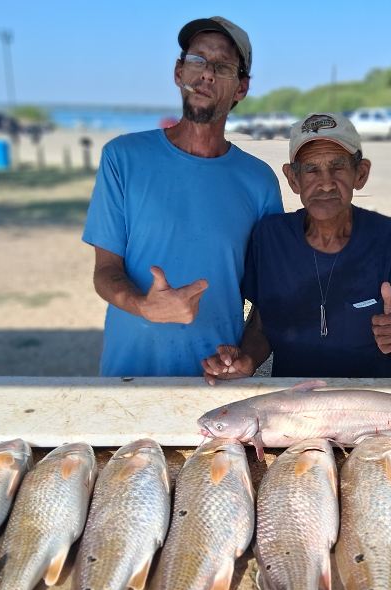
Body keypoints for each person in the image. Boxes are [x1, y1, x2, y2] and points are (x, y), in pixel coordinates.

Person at [82, 16, 283, 376]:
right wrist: (143, 305)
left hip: (215, 385)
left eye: (222, 66)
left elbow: (270, 298)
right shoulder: (123, 158)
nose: (206, 73)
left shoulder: (259, 182)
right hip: (128, 377)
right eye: (197, 60)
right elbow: (105, 271)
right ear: (179, 72)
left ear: (241, 88)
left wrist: (248, 359)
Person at [201, 113, 391, 383]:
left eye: (338, 167)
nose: (325, 182)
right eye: (311, 169)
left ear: (361, 173)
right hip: (295, 405)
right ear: (293, 179)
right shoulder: (270, 238)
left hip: (371, 405)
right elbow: (262, 327)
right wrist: (246, 359)